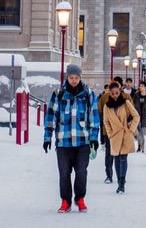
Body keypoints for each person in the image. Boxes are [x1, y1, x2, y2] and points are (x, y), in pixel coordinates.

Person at [43, 64, 101, 213]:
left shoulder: (88, 94)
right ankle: (65, 201)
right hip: (64, 141)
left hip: (83, 141)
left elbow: (94, 118)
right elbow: (51, 116)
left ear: (80, 77)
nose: (74, 80)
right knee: (64, 173)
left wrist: (94, 138)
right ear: (67, 77)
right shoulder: (59, 94)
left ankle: (80, 198)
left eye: (76, 78)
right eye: (71, 77)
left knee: (81, 172)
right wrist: (47, 137)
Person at [100, 81, 139, 194]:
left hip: (126, 134)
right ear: (110, 93)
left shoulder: (126, 102)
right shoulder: (107, 106)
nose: (115, 95)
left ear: (120, 91)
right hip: (115, 136)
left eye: (117, 93)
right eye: (113, 93)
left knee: (123, 158)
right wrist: (110, 133)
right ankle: (119, 182)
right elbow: (106, 121)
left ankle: (122, 183)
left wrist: (131, 130)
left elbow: (136, 116)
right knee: (116, 159)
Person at [131, 81, 146, 154]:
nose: (140, 87)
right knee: (139, 132)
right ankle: (140, 146)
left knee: (144, 132)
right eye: (140, 86)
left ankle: (143, 146)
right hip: (137, 115)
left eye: (142, 86)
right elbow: (133, 104)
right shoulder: (136, 95)